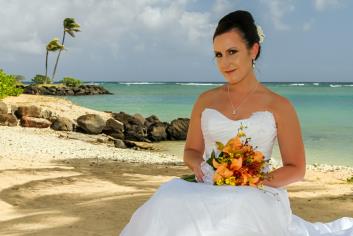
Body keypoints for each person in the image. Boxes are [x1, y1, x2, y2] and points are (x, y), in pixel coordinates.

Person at [120, 10, 353, 236]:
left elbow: (296, 169)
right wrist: (200, 168)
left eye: (232, 51)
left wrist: (251, 180)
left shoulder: (279, 105)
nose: (224, 63)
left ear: (254, 50)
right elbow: (191, 151)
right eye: (218, 54)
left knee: (239, 205)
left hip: (256, 192)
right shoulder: (205, 100)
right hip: (209, 185)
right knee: (167, 197)